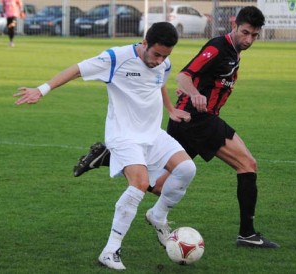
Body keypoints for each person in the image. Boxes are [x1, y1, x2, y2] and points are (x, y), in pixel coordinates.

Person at [74, 6, 279, 249]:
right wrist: (194, 94)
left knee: (160, 186)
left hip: (184, 121)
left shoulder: (233, 51)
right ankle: (247, 233)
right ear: (234, 26)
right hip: (199, 120)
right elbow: (184, 76)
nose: (248, 40)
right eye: (245, 33)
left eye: (254, 36)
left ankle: (107, 158)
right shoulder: (218, 47)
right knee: (248, 164)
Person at [13, 22, 196, 270]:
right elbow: (77, 69)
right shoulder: (116, 57)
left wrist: (171, 109)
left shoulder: (163, 63)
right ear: (144, 43)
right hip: (123, 135)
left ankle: (158, 216)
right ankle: (110, 251)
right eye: (156, 54)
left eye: (166, 55)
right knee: (140, 183)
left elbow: (160, 81)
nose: (159, 60)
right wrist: (42, 90)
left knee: (187, 169)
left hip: (153, 134)